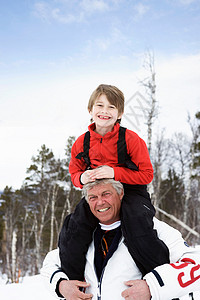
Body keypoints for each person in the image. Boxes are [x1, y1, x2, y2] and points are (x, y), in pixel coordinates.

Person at [59, 84, 169, 281]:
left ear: (120, 113)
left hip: (131, 193)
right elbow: (74, 174)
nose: (104, 111)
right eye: (100, 105)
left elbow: (146, 175)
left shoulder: (131, 140)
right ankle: (74, 282)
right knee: (73, 226)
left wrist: (115, 172)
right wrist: (82, 178)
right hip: (99, 194)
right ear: (90, 110)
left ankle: (158, 279)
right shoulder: (81, 143)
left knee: (136, 222)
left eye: (111, 107)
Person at [41, 179, 200, 300]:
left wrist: (152, 287)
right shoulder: (82, 234)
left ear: (121, 193)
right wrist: (61, 285)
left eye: (106, 194)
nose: (100, 202)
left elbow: (195, 265)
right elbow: (50, 263)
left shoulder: (150, 228)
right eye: (93, 197)